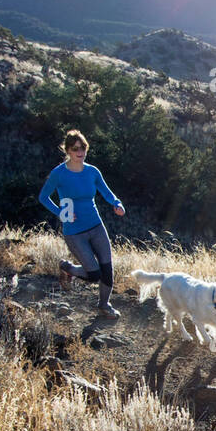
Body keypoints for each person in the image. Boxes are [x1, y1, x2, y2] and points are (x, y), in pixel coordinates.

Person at [38, 130, 126, 320]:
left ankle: (104, 305)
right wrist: (60, 212)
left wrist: (117, 204)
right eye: (75, 148)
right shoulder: (59, 174)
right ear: (68, 150)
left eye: (83, 148)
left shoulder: (92, 171)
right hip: (74, 231)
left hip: (96, 225)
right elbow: (43, 197)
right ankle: (67, 267)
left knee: (107, 271)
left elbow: (107, 192)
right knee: (93, 274)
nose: (80, 152)